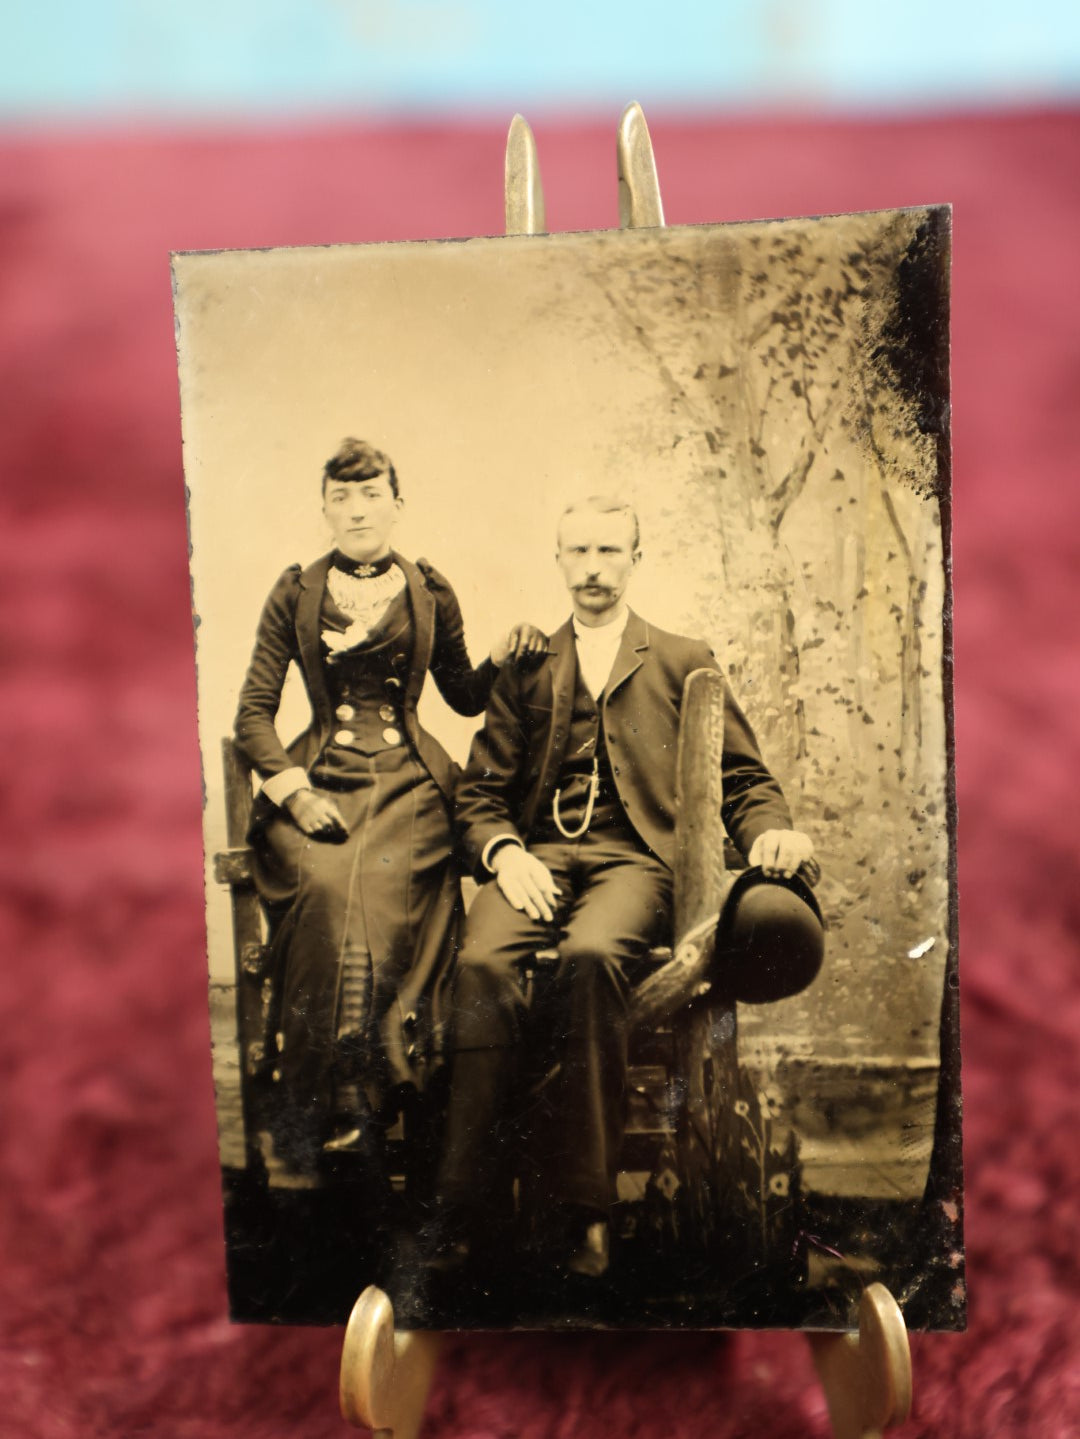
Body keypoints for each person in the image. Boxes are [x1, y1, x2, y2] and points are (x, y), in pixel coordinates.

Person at [433, 495, 823, 1277]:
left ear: (636, 560)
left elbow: (742, 777)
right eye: (578, 552)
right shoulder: (530, 661)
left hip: (634, 859)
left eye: (610, 551)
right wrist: (507, 853)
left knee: (590, 956)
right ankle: (468, 1213)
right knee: (479, 965)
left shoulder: (681, 659)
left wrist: (771, 830)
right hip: (537, 857)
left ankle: (585, 1212)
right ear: (558, 559)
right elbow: (480, 791)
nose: (593, 569)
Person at [233, 438, 545, 1176]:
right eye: (341, 497)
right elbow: (252, 713)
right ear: (325, 510)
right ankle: (331, 1098)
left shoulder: (428, 588)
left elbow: (464, 692)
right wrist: (295, 792)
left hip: (409, 782)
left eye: (370, 494)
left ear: (396, 506)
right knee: (328, 888)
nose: (356, 509)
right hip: (323, 780)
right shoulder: (296, 592)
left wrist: (503, 652)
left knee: (394, 886)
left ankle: (382, 1090)